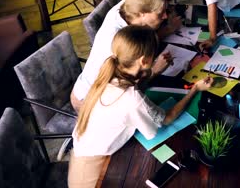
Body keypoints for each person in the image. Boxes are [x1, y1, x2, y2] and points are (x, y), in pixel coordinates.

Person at [68, 26, 213, 187]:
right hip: (93, 172)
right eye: (154, 55)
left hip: (81, 152)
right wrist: (195, 89)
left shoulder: (108, 72)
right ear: (144, 61)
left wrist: (153, 71)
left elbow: (133, 88)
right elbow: (167, 118)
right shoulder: (132, 99)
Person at [71, 0, 173, 112]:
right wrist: (154, 71)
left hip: (103, 87)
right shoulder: (119, 40)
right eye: (161, 13)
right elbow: (126, 90)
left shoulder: (129, 7)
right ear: (142, 13)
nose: (165, 16)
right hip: (91, 102)